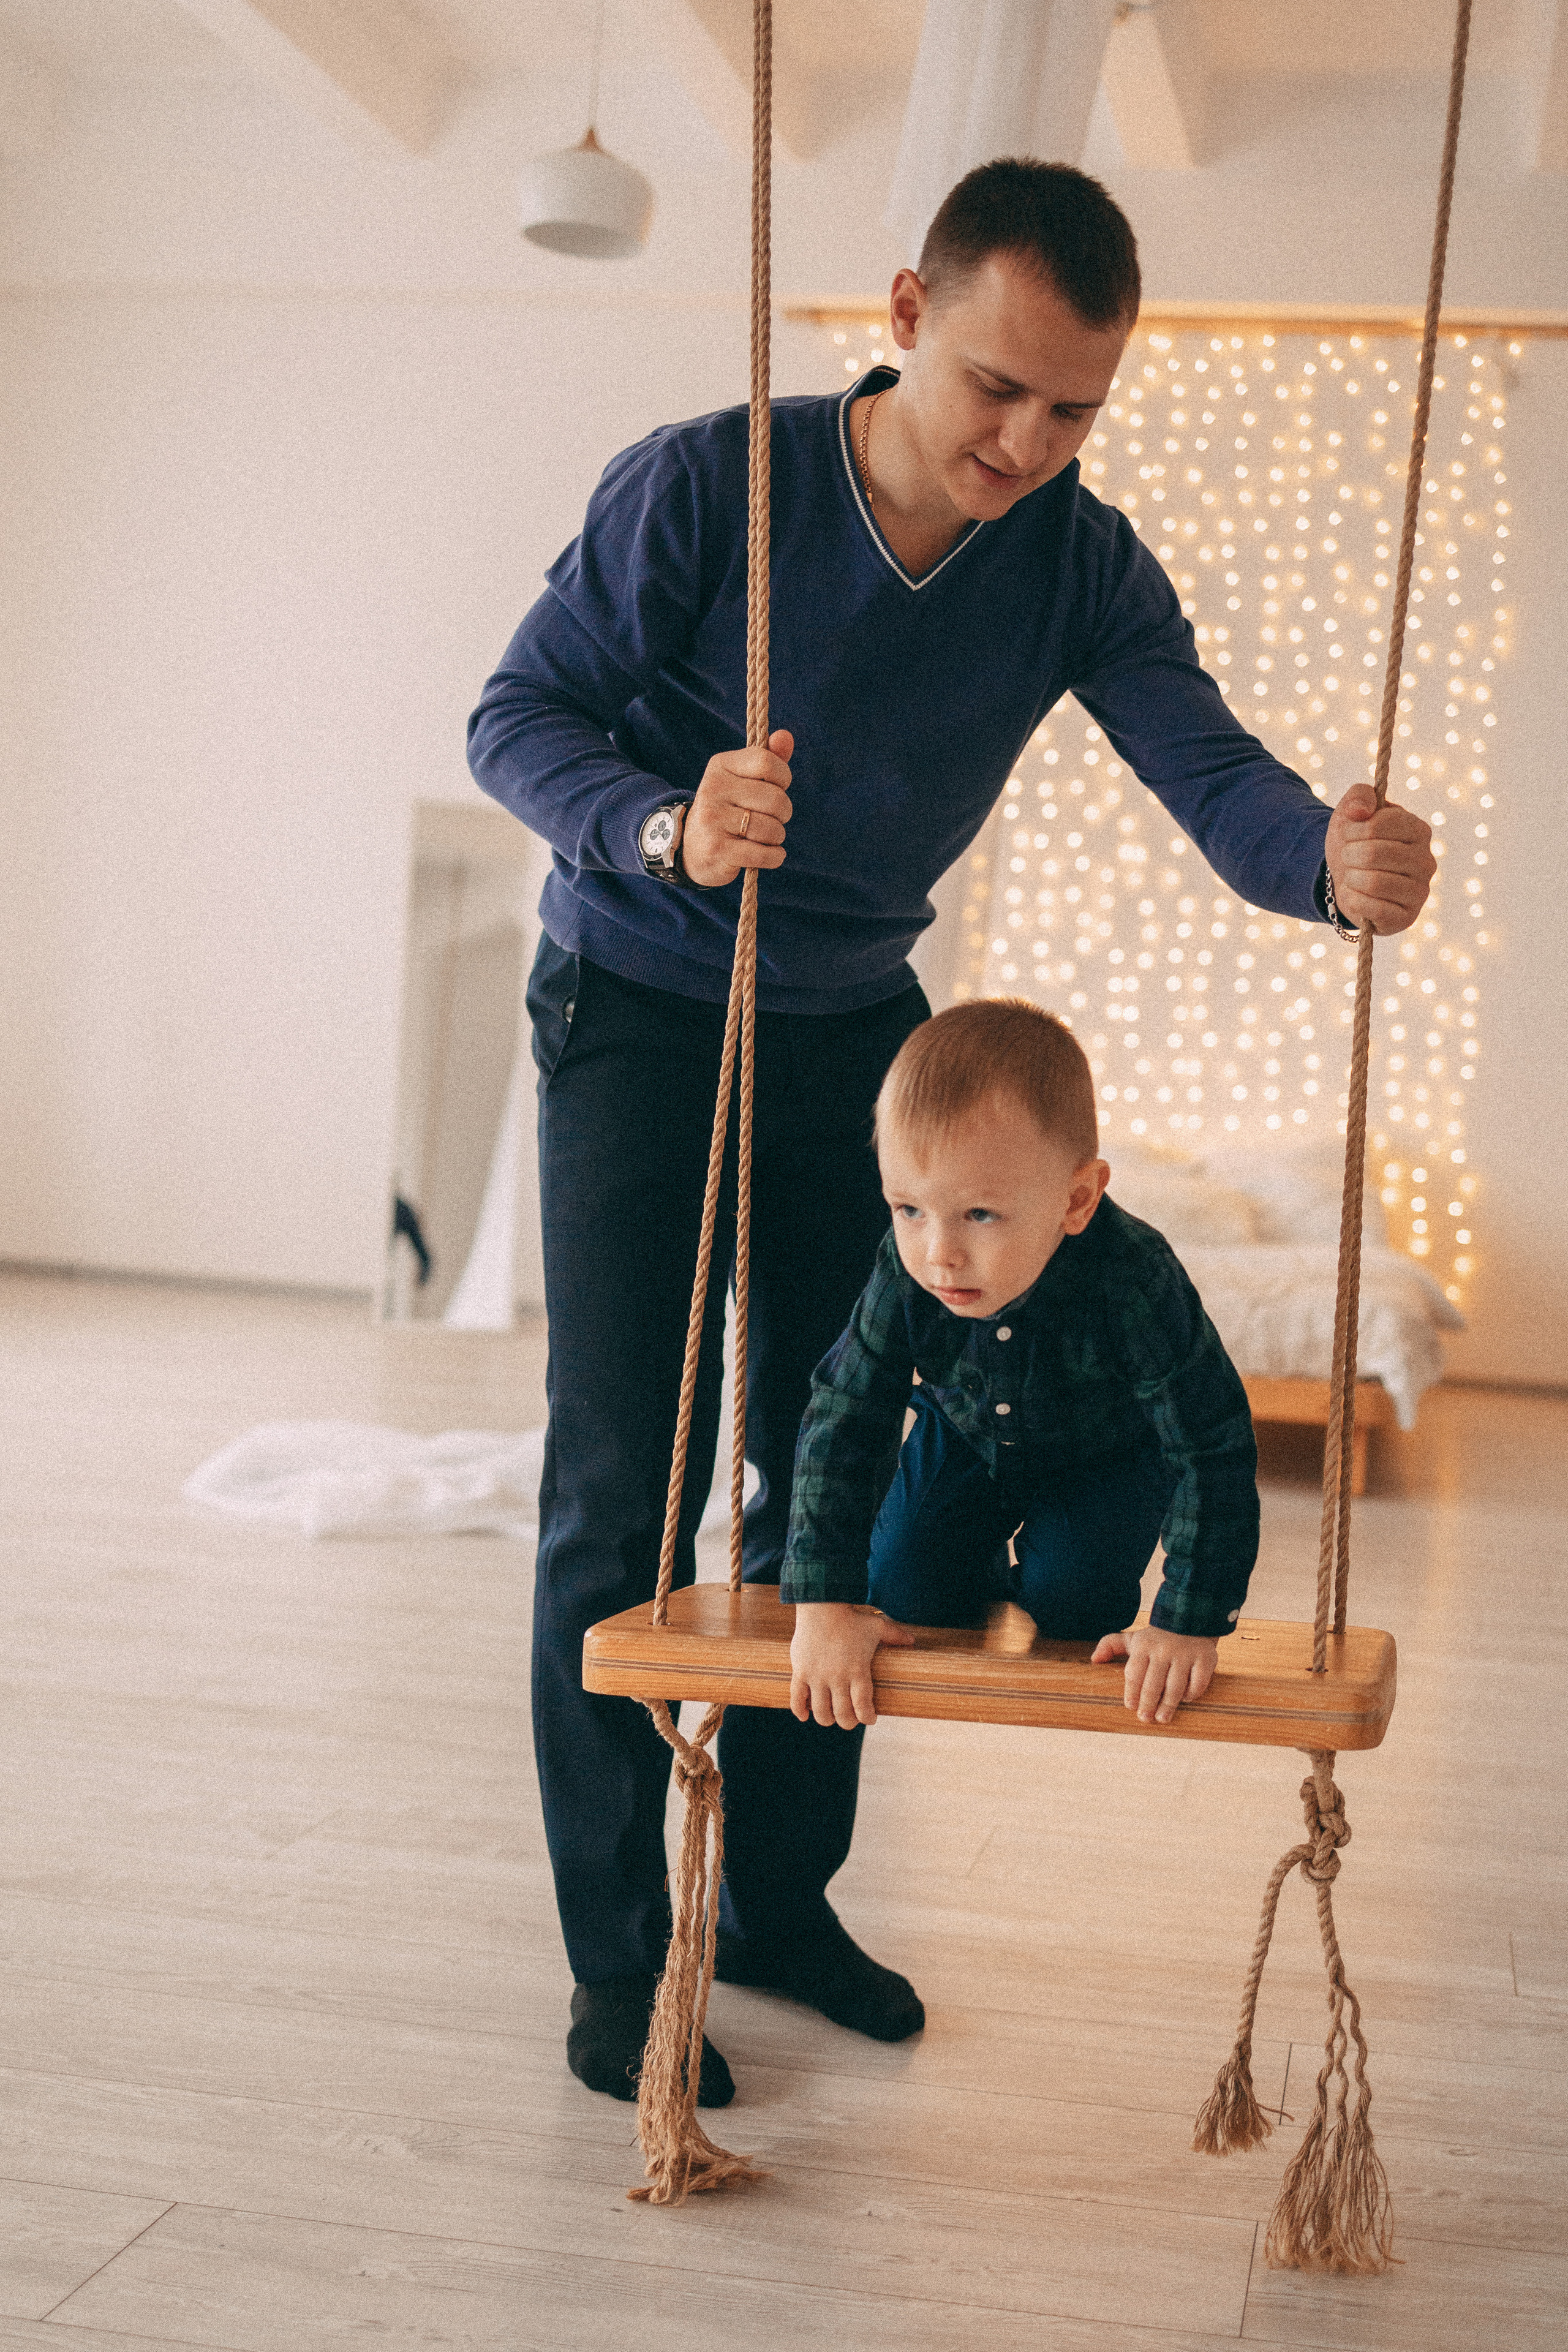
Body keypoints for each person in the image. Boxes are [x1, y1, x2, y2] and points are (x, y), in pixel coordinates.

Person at [466, 159, 1434, 2111]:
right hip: (645, 1005)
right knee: (624, 1493)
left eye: (1075, 405)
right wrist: (667, 820)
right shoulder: (702, 484)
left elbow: (1218, 776)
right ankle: (621, 1953)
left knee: (840, 1470)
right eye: (997, 384)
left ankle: (785, 1904)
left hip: (855, 1036)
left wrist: (1326, 861)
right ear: (904, 307)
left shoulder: (1076, 558)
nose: (1025, 440)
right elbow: (516, 720)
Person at [783, 998, 1257, 1733]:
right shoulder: (906, 1268)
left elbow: (1210, 1440)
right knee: (903, 1594)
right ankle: (982, 1570)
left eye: (979, 1215)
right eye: (908, 1208)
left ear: (1076, 1199)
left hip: (1108, 1455)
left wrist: (1189, 1619)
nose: (938, 1253)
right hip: (965, 1436)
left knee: (1075, 1611)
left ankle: (1036, 1577)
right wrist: (821, 1605)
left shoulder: (1132, 1274)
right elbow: (844, 1412)